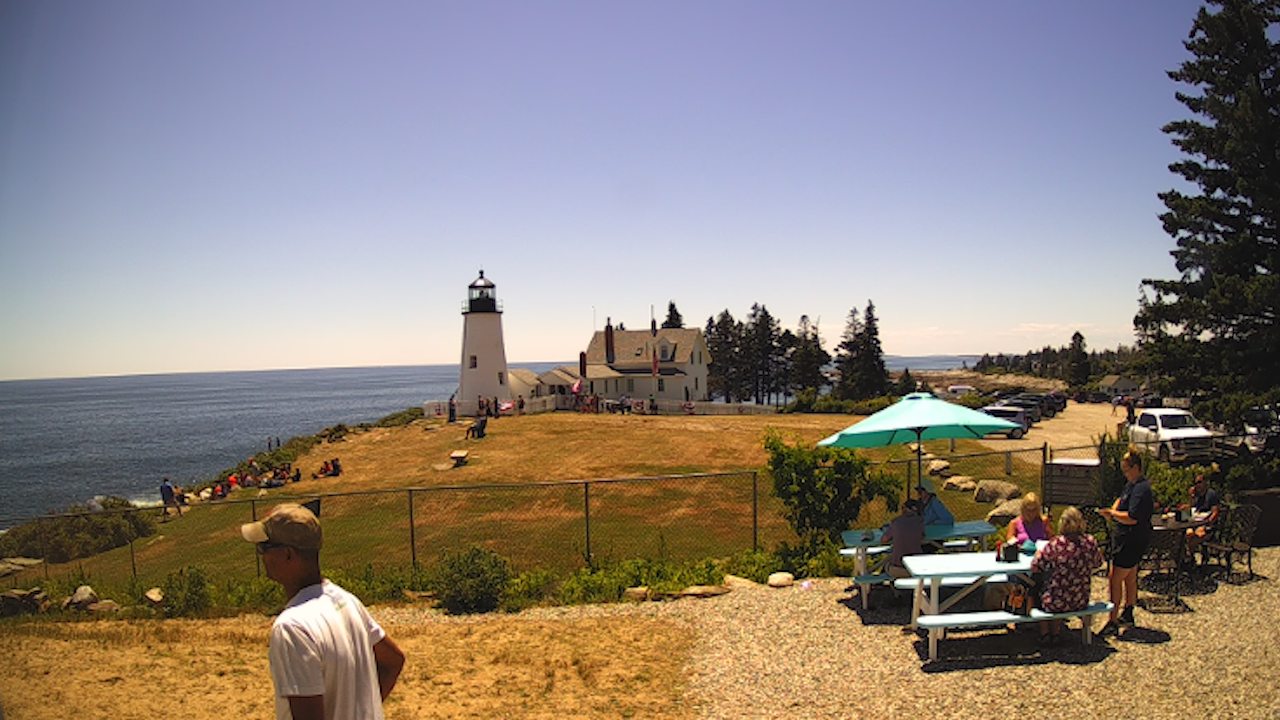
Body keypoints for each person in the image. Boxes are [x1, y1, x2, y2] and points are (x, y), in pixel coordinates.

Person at [241, 503, 405, 720]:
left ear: (288, 555)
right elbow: (393, 661)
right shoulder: (346, 601)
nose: (262, 556)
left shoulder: (292, 628)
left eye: (264, 548)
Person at [1097, 448, 1154, 635]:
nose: (1125, 473)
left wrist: (1113, 515)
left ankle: (1112, 620)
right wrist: (1114, 510)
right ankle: (1128, 611)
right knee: (1130, 576)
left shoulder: (1141, 489)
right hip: (1128, 538)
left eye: (1126, 470)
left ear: (1136, 467)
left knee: (1115, 579)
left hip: (1131, 540)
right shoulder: (1132, 485)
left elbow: (1132, 517)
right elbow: (1121, 500)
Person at [1029, 507, 1104, 646]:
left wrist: (1038, 554)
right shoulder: (1090, 542)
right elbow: (1098, 563)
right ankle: (1056, 632)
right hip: (1080, 599)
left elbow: (1036, 567)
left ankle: (1045, 633)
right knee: (1058, 585)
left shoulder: (1056, 544)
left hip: (1057, 601)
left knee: (1037, 586)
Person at [880, 499, 925, 580]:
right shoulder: (920, 522)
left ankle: (887, 585)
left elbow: (884, 539)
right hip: (916, 568)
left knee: (886, 565)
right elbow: (922, 536)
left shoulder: (896, 522)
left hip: (898, 568)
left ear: (905, 508)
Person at [1185, 473, 1221, 559]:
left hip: (1207, 527)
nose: (1197, 485)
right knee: (1183, 535)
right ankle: (1185, 558)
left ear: (1205, 482)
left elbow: (1215, 513)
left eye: (1199, 482)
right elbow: (1190, 511)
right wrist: (1191, 497)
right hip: (1195, 524)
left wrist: (1207, 525)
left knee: (1192, 539)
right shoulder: (1197, 496)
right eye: (1195, 483)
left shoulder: (1211, 494)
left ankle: (1190, 559)